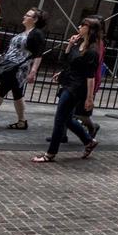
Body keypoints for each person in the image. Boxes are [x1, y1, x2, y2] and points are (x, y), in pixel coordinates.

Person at [33, 17, 103, 163]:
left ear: (90, 30)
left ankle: (50, 153)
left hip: (76, 88)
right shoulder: (78, 45)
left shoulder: (92, 52)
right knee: (67, 119)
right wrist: (69, 46)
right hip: (68, 82)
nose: (79, 26)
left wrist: (89, 98)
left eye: (83, 25)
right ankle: (89, 141)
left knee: (60, 119)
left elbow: (90, 77)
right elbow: (67, 61)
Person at [0, 8, 47, 130]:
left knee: (2, 89)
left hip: (18, 68)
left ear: (35, 19)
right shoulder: (23, 33)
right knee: (17, 93)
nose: (24, 16)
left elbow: (38, 54)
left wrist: (33, 71)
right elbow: (10, 49)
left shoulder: (37, 34)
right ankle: (22, 121)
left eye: (27, 15)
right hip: (9, 64)